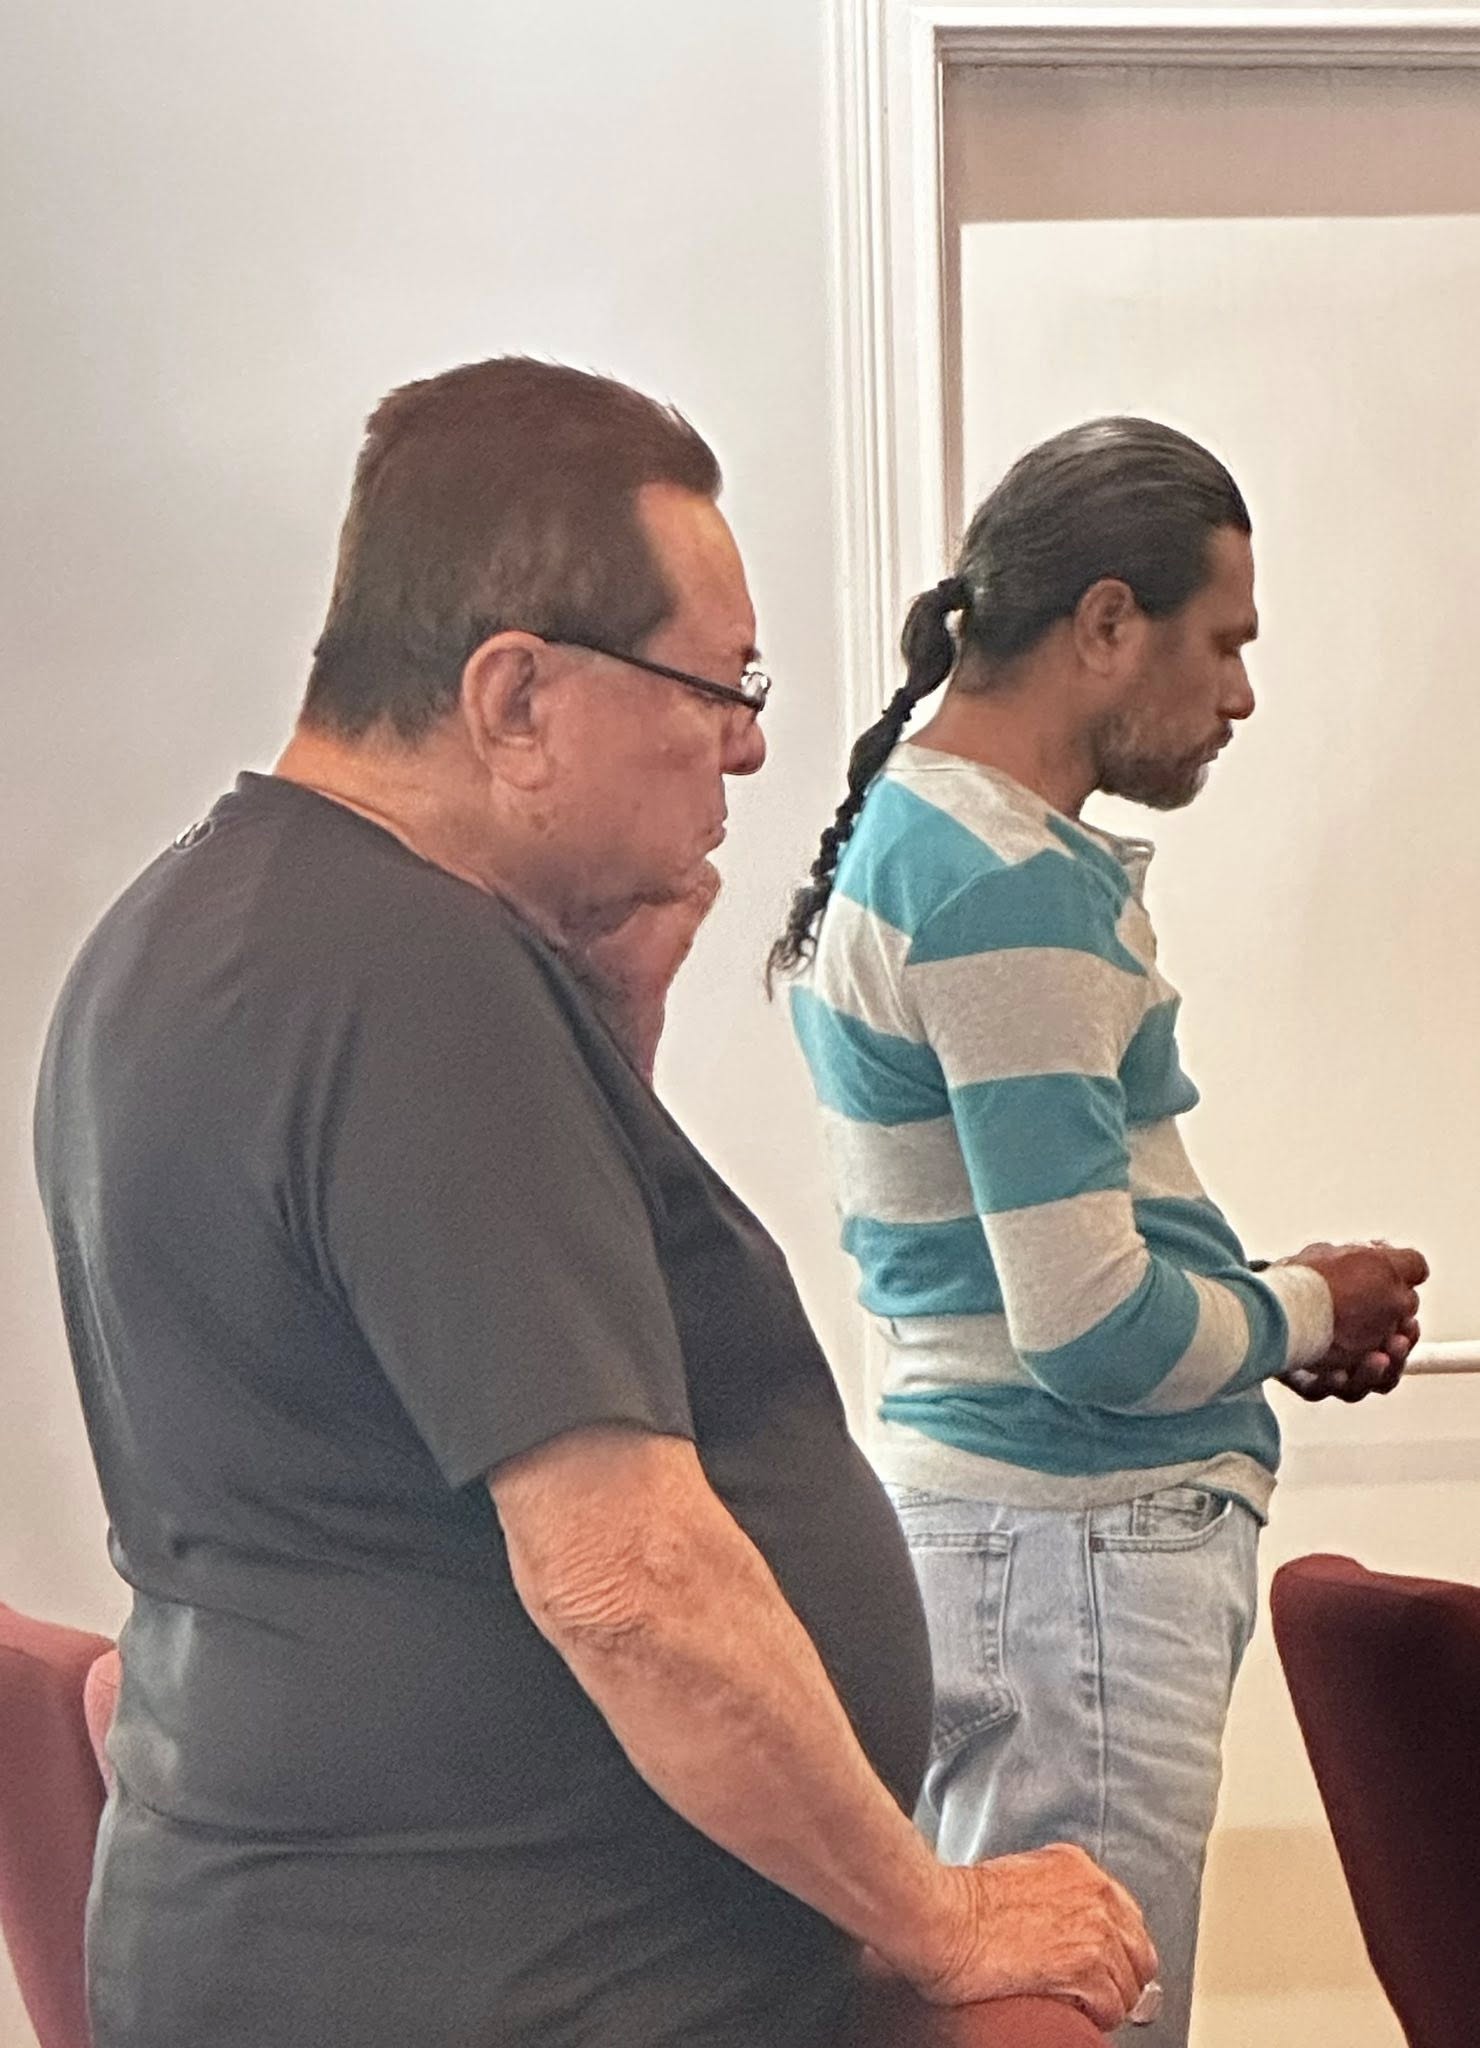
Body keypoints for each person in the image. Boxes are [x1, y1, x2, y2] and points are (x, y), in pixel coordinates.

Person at [33, 360, 1158, 2048]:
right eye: (717, 684)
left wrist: (606, 1032)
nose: (752, 742)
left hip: (344, 1946)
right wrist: (933, 1915)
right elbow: (625, 1584)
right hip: (511, 1983)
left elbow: (381, 1401)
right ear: (515, 699)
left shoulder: (196, 923)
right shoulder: (415, 982)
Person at [770, 417, 1427, 2048]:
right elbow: (1088, 1327)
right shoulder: (1005, 882)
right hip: (1077, 1552)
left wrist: (1267, 1310)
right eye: (1225, 642)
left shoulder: (920, 836)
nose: (1243, 694)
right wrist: (1306, 1308)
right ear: (1109, 621)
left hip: (1004, 1538)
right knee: (1090, 2025)